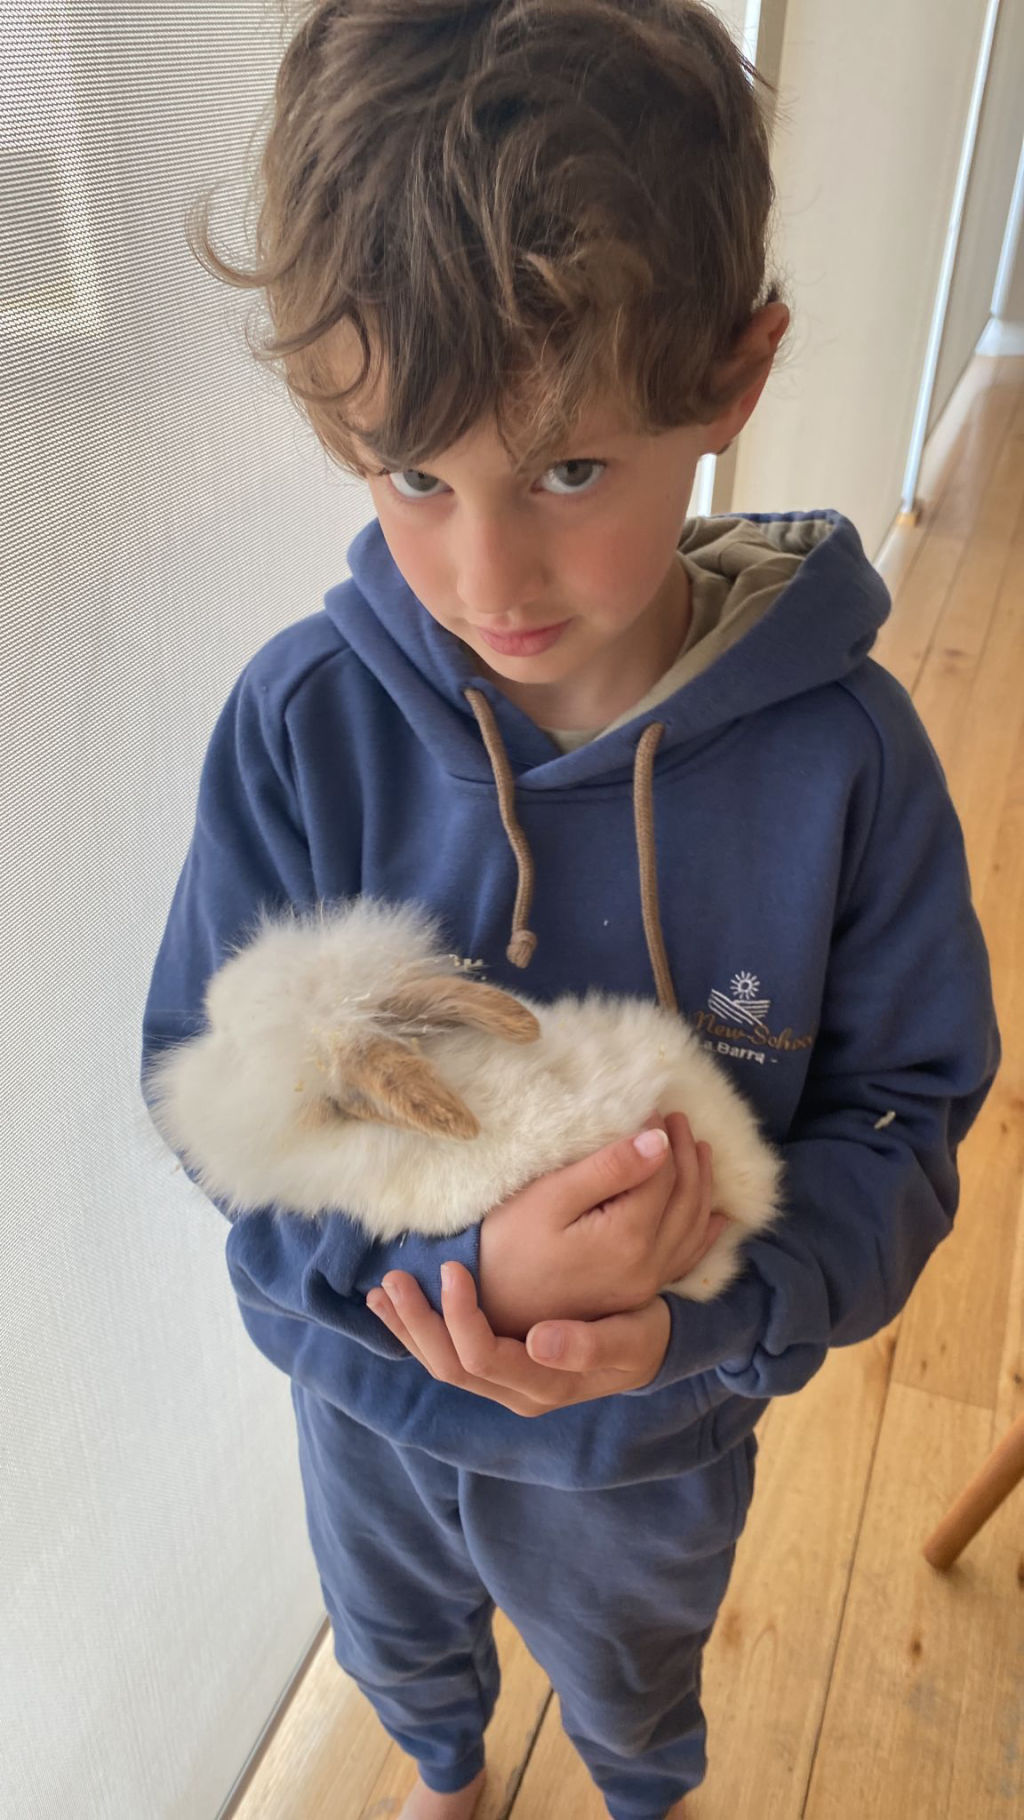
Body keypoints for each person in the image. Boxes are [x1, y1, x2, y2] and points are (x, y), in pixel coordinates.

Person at [140, 4, 1000, 1817]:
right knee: (394, 1640)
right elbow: (206, 1090)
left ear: (735, 376)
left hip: (652, 1443)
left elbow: (905, 1119)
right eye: (413, 476)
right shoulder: (303, 724)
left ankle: (636, 1787)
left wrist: (698, 1320)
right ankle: (445, 1769)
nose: (485, 572)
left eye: (570, 469)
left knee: (632, 1682)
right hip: (367, 1399)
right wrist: (448, 1286)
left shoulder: (848, 762)